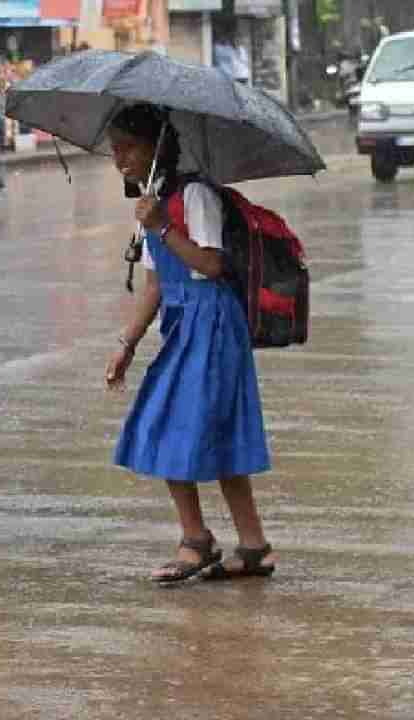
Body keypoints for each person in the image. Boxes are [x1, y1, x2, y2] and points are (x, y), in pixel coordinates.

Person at [103, 104, 277, 583]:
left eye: (127, 148)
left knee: (186, 428)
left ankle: (202, 542)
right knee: (171, 426)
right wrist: (127, 344)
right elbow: (155, 286)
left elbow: (212, 265)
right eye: (114, 150)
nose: (119, 159)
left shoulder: (193, 195)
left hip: (213, 322)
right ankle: (241, 544)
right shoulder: (153, 201)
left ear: (156, 146)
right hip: (182, 324)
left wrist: (162, 225)